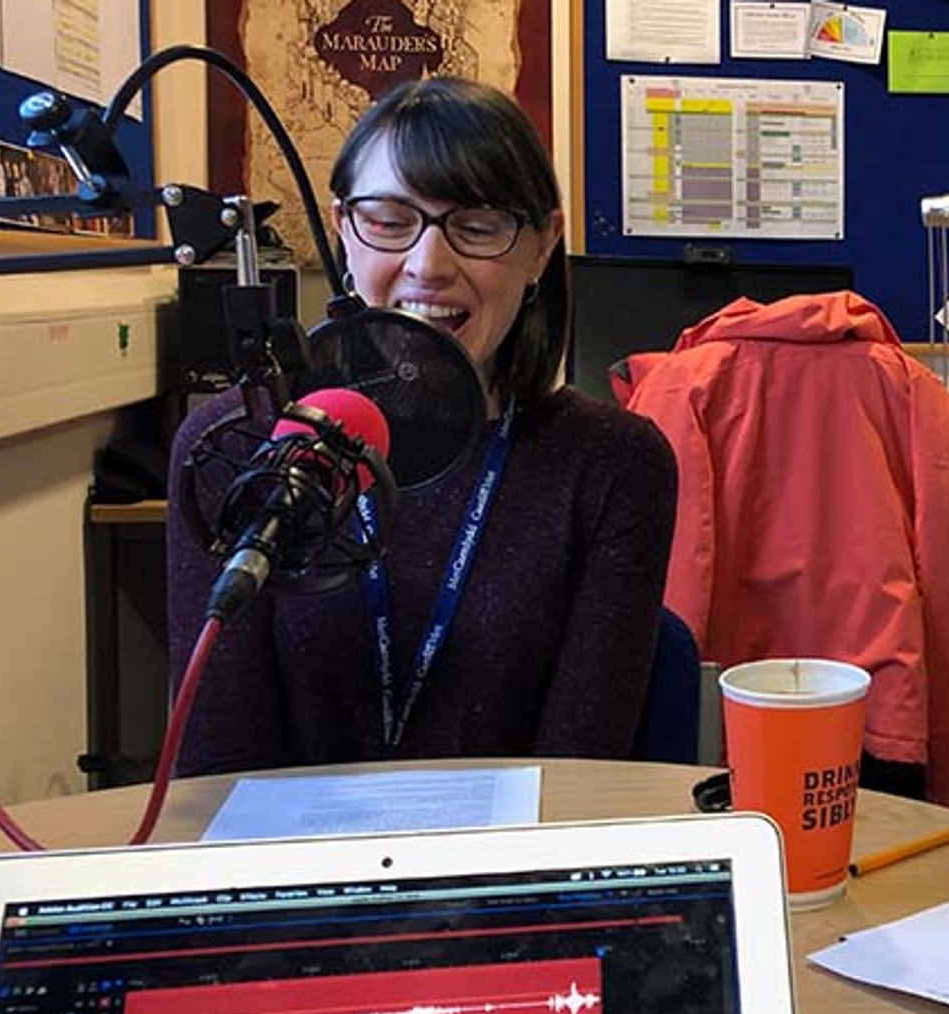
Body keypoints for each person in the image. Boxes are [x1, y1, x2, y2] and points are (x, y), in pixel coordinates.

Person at [166, 77, 678, 773]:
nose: (428, 266)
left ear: (542, 247)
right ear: (343, 229)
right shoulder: (236, 445)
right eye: (388, 220)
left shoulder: (614, 464)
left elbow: (580, 772)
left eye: (478, 227)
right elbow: (218, 766)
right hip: (287, 839)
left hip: (517, 840)